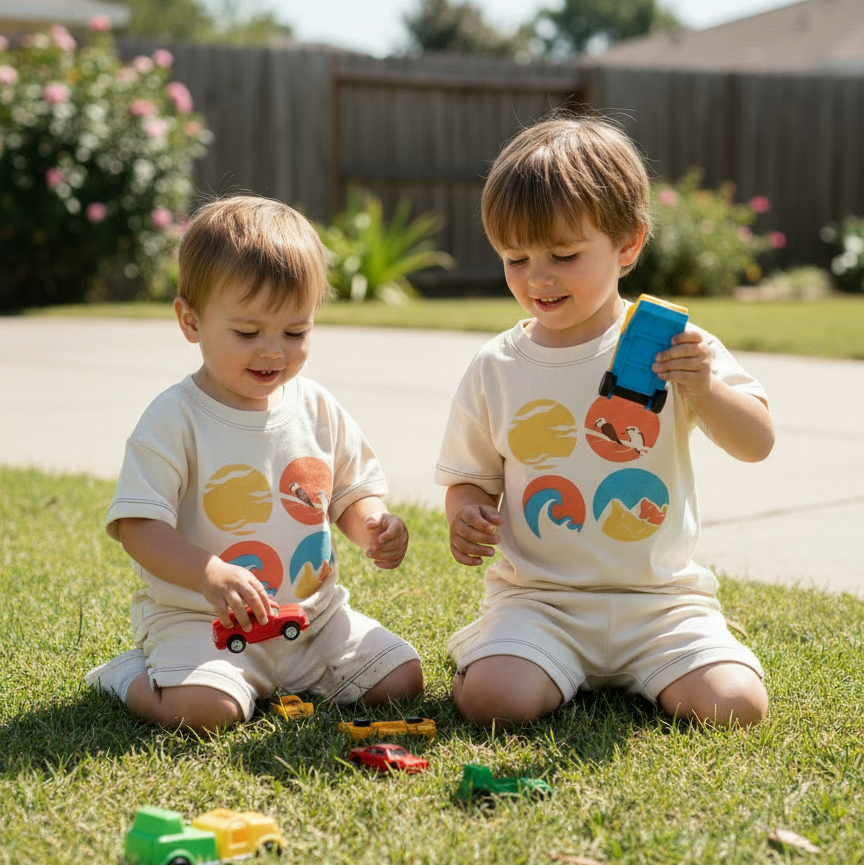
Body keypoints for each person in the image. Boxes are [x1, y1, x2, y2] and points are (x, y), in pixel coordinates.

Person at [435, 114, 774, 729]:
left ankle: (667, 664)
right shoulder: (497, 366)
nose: (538, 277)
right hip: (541, 602)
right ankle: (509, 656)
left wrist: (706, 386)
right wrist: (465, 516)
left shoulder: (674, 348)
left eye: (564, 255)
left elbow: (757, 443)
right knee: (494, 703)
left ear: (628, 245)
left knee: (737, 706)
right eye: (516, 258)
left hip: (661, 602)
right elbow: (470, 477)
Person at [86, 195, 423, 732]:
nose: (273, 352)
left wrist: (375, 526)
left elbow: (350, 492)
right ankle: (129, 676)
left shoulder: (315, 407)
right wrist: (209, 572)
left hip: (313, 620)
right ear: (190, 321)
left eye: (295, 332)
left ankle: (289, 676)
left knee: (401, 678)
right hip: (203, 621)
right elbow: (138, 527)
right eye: (247, 333)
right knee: (205, 713)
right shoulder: (176, 418)